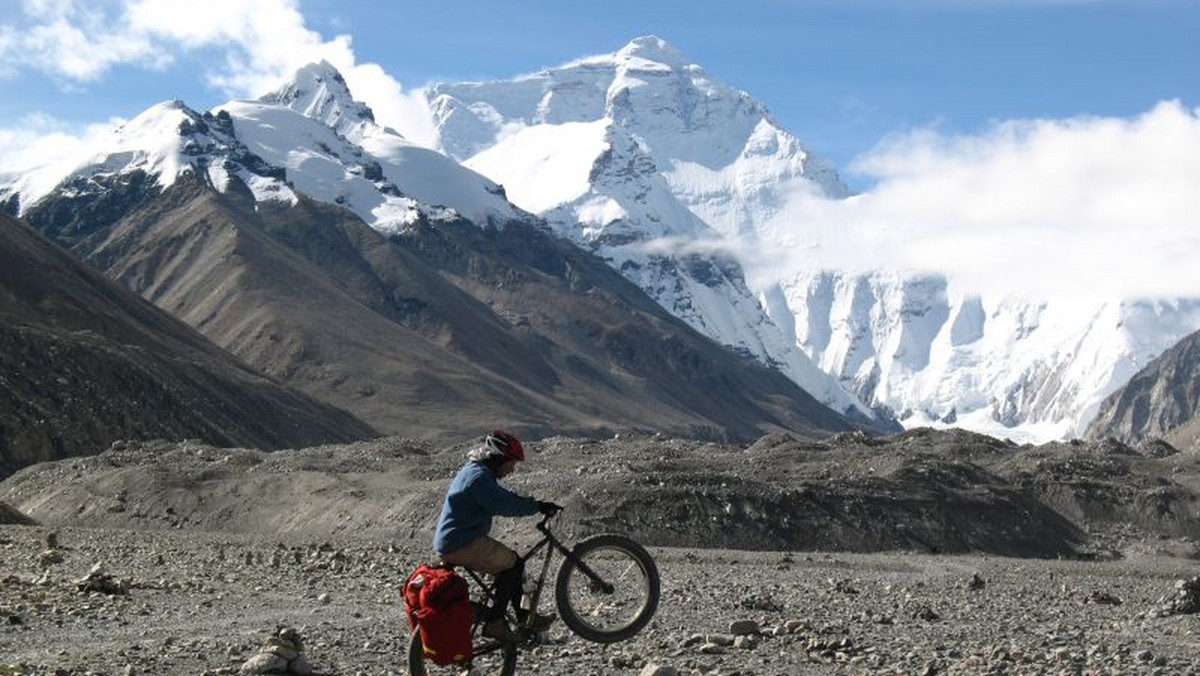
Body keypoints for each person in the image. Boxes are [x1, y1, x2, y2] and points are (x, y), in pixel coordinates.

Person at [433, 430, 561, 640]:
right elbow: (504, 504)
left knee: (510, 568)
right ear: (499, 457)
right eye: (511, 463)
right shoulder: (479, 478)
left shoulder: (476, 470)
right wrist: (537, 506)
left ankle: (524, 618)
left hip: (455, 540)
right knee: (515, 565)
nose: (512, 469)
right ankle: (496, 622)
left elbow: (502, 496)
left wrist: (533, 503)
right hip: (462, 543)